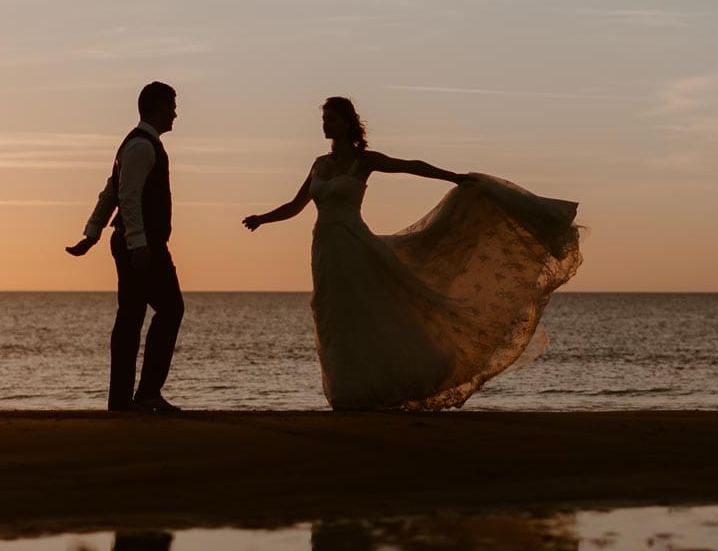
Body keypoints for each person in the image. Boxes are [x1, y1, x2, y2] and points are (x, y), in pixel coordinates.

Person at [241, 96, 583, 410]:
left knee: (367, 313)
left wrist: (450, 176)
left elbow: (410, 165)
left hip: (354, 245)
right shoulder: (318, 164)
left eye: (331, 119)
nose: (326, 125)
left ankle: (400, 378)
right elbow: (295, 205)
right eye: (324, 120)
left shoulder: (364, 161)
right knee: (333, 316)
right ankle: (350, 392)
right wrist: (262, 219)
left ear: (347, 122)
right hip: (325, 249)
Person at [68, 82, 184, 413]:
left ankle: (122, 400)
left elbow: (110, 193)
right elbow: (127, 196)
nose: (175, 113)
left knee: (131, 317)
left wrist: (91, 234)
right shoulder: (141, 147)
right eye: (171, 106)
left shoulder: (138, 145)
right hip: (142, 244)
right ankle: (145, 393)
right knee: (170, 309)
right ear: (155, 108)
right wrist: (139, 242)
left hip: (138, 242)